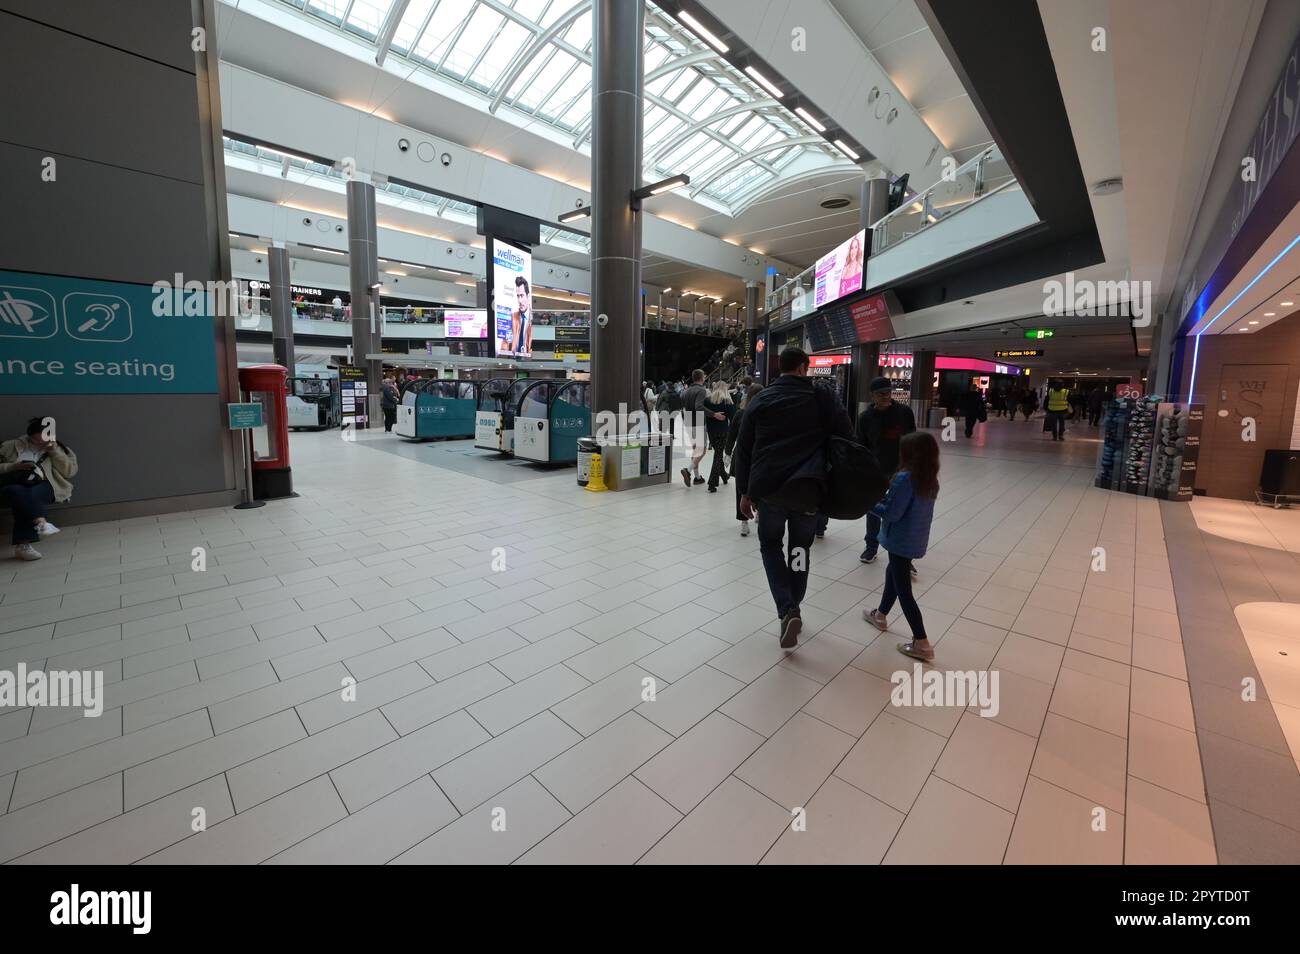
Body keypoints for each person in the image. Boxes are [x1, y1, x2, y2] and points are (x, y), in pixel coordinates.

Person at [735, 347, 854, 649]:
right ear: (803, 368)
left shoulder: (761, 399)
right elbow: (846, 438)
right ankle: (794, 603)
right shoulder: (822, 398)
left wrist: (745, 493)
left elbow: (745, 450)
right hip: (808, 490)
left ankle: (787, 607)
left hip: (771, 491)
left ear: (781, 368)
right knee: (799, 548)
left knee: (771, 545)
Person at [863, 432, 940, 661]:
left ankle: (922, 642)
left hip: (900, 540)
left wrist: (868, 504)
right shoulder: (929, 480)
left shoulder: (905, 478)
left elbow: (892, 513)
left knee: (904, 591)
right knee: (893, 573)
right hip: (914, 539)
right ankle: (881, 614)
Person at [855, 377, 915, 563]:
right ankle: (871, 547)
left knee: (901, 511)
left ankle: (903, 555)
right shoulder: (865, 418)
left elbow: (913, 439)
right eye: (881, 394)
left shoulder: (904, 412)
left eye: (888, 392)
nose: (886, 396)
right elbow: (861, 445)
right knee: (874, 509)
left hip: (901, 470)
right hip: (877, 471)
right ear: (872, 396)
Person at [1, 417, 78, 561]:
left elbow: (70, 472)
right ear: (30, 436)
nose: (41, 444)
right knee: (20, 492)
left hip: (46, 486)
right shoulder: (10, 446)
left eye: (45, 440)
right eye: (37, 441)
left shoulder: (59, 448)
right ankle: (41, 523)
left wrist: (54, 452)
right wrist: (13, 466)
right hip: (14, 485)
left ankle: (24, 545)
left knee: (26, 495)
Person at [726, 383, 763, 536]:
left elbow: (731, 435)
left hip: (743, 457)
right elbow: (732, 434)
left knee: (741, 490)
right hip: (757, 457)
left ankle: (744, 521)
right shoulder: (748, 413)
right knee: (756, 487)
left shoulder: (741, 413)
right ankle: (750, 517)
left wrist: (727, 452)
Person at [679, 369, 712, 487]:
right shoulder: (701, 390)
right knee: (702, 451)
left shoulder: (685, 391)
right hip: (698, 422)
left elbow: (681, 408)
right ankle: (688, 470)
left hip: (688, 423)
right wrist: (714, 414)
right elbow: (699, 407)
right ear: (701, 377)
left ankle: (697, 477)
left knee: (696, 450)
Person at [702, 381, 735, 493]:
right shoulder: (727, 401)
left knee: (718, 453)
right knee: (718, 454)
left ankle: (724, 476)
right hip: (722, 432)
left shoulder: (707, 400)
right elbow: (733, 418)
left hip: (711, 432)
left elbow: (704, 413)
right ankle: (712, 483)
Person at [510, 276, 533, 357]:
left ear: (528, 296)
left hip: (529, 361)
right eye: (518, 296)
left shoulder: (533, 320)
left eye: (522, 295)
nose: (519, 301)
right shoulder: (513, 317)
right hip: (514, 360)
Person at [838, 233, 865, 298]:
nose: (853, 251)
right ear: (849, 250)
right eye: (852, 248)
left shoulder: (859, 268)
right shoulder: (845, 268)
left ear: (858, 249)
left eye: (856, 247)